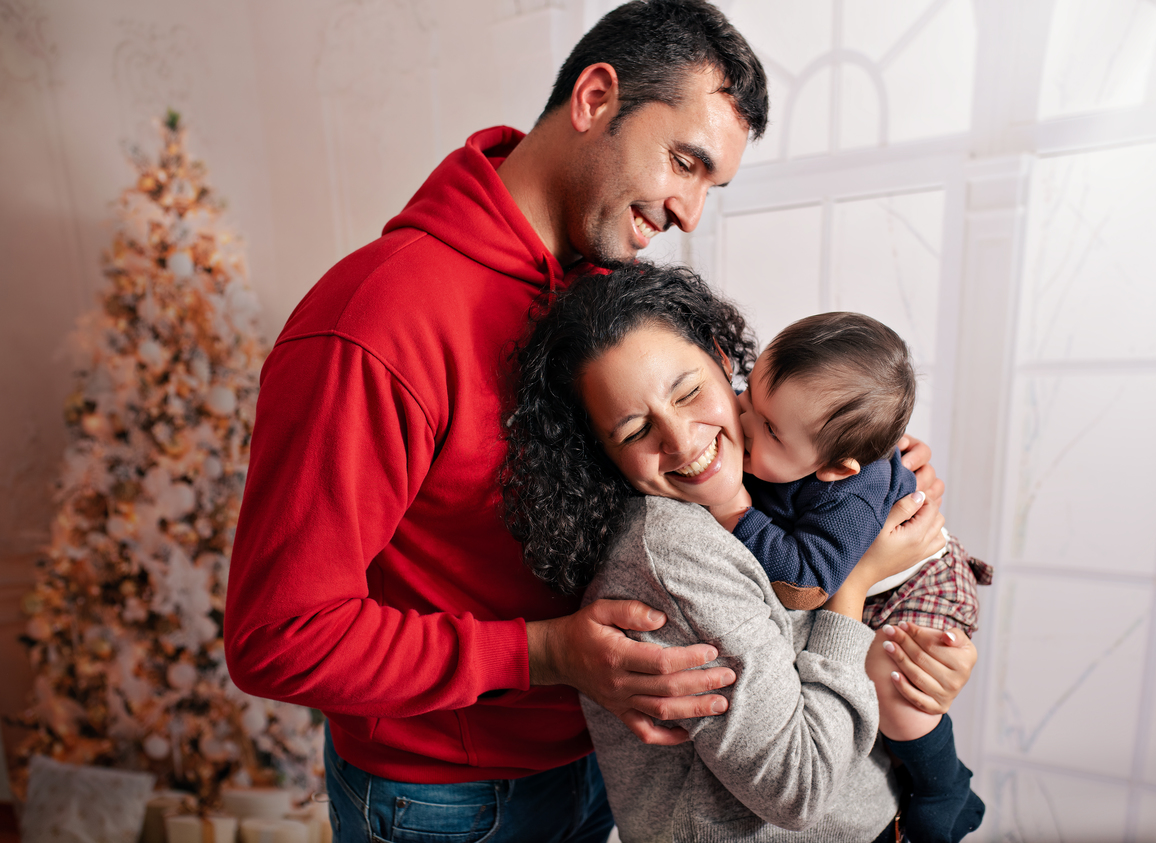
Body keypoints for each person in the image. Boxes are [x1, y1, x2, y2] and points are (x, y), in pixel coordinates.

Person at [225, 3, 780, 840]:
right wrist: (545, 652)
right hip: (445, 801)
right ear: (595, 97)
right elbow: (280, 636)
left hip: (607, 763)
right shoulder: (374, 322)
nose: (689, 213)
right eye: (683, 161)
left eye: (711, 185)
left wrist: (864, 474)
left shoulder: (614, 296)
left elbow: (703, 462)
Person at [502, 263, 978, 842]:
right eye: (634, 432)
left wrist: (925, 665)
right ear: (598, 450)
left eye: (689, 392)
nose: (684, 442)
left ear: (723, 361)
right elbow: (797, 788)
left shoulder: (783, 445)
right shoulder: (675, 551)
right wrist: (857, 584)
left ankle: (944, 784)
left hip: (886, 799)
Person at [706, 312, 991, 840]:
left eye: (769, 429)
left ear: (836, 467)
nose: (742, 422)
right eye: (747, 396)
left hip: (920, 580)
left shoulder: (850, 497)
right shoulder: (795, 436)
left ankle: (945, 787)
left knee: (894, 681)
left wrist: (736, 515)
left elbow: (806, 585)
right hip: (870, 575)